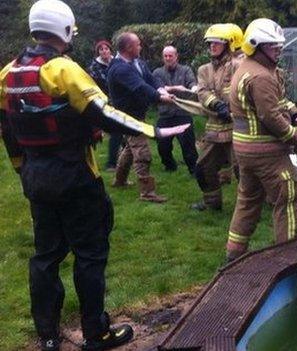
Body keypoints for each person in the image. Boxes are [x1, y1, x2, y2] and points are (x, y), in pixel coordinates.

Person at [0, 1, 189, 350]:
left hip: (36, 177)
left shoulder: (7, 72)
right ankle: (96, 333)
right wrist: (153, 131)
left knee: (46, 256)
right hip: (75, 176)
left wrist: (21, 169)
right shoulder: (63, 69)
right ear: (65, 29)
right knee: (89, 254)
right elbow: (105, 114)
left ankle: (48, 337)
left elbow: (8, 129)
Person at [225, 18, 297, 262]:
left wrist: (295, 113)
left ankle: (234, 255)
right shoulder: (261, 76)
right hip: (267, 154)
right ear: (256, 45)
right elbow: (270, 116)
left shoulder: (248, 67)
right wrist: (296, 138)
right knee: (288, 198)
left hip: (245, 152)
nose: (279, 49)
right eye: (273, 46)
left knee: (247, 201)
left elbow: (276, 101)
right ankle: (289, 259)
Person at [108, 31, 174, 203]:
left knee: (130, 150)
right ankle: (147, 193)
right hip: (128, 117)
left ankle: (119, 181)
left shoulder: (138, 63)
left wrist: (161, 89)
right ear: (129, 47)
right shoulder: (119, 69)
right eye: (137, 44)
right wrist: (160, 98)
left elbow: (150, 80)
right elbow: (140, 87)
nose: (140, 46)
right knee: (142, 152)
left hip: (138, 114)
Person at [191, 23, 243, 211]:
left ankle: (251, 207)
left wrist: (230, 104)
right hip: (215, 128)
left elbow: (242, 92)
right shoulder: (204, 70)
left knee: (243, 171)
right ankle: (212, 203)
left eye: (217, 43)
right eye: (210, 43)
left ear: (228, 44)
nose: (212, 46)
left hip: (237, 128)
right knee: (203, 168)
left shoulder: (239, 66)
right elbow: (203, 92)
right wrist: (217, 104)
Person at [152, 45, 198, 173]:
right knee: (163, 146)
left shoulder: (186, 70)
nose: (168, 58)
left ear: (176, 57)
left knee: (188, 145)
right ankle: (170, 166)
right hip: (165, 114)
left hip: (183, 113)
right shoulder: (157, 72)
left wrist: (194, 89)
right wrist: (176, 88)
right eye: (165, 56)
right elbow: (157, 87)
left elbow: (192, 84)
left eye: (170, 56)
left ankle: (193, 170)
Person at [87, 39, 122, 172]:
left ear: (110, 50)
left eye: (106, 49)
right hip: (105, 101)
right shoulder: (94, 67)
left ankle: (126, 157)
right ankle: (112, 163)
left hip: (120, 99)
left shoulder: (117, 63)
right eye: (101, 49)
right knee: (116, 130)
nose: (104, 51)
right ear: (98, 52)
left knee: (125, 129)